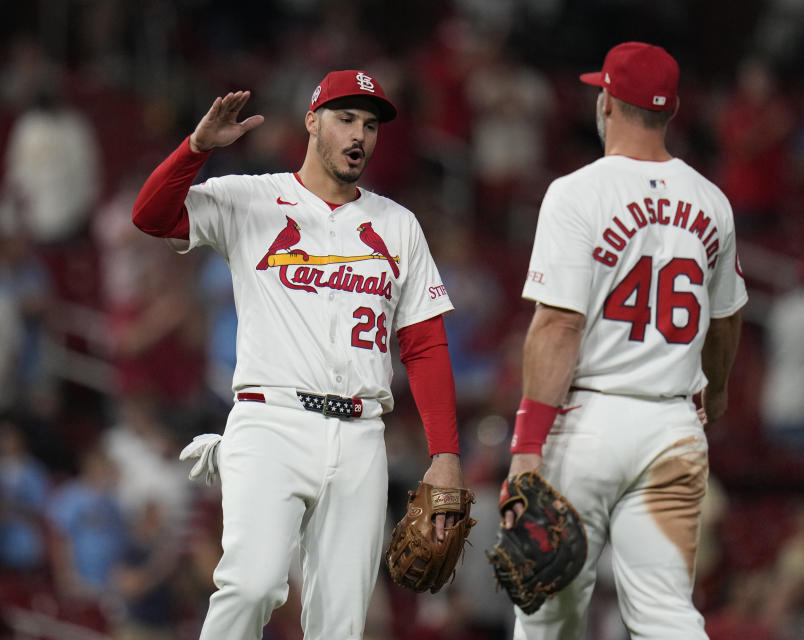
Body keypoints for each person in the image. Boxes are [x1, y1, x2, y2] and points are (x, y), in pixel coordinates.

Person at [131, 70, 465, 639]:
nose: (359, 133)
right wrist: (197, 149)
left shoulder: (398, 224)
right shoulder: (251, 198)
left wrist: (446, 454)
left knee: (341, 623)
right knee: (252, 585)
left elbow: (425, 344)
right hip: (271, 420)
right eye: (345, 118)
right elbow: (152, 216)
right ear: (312, 122)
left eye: (370, 123)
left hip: (362, 436)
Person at [499, 42, 747, 639]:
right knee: (666, 615)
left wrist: (528, 445)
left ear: (606, 100)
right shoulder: (713, 202)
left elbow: (558, 324)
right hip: (672, 430)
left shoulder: (577, 192)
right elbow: (726, 321)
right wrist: (713, 398)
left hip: (586, 423)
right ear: (673, 109)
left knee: (546, 614)